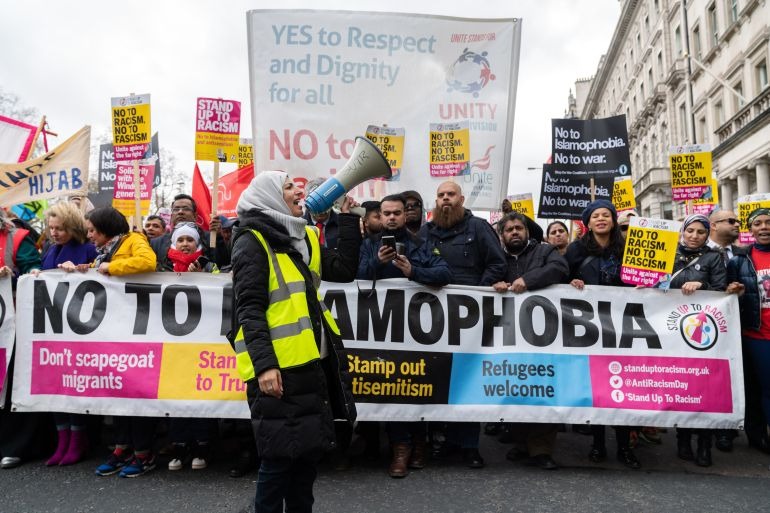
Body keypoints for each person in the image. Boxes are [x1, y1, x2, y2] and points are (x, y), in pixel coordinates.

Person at [230, 171, 359, 513]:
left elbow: (344, 270)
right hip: (279, 368)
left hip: (311, 362)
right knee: (279, 460)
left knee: (306, 459)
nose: (299, 190)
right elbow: (249, 309)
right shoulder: (252, 241)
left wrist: (347, 219)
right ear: (270, 197)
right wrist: (265, 366)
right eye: (288, 186)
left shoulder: (302, 236)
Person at [357, 193, 452, 478]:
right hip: (383, 329)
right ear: (380, 215)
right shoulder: (369, 245)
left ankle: (419, 444)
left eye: (396, 213)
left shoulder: (422, 243)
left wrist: (413, 271)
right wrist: (377, 262)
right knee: (392, 385)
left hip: (418, 327)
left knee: (417, 384)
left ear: (405, 215)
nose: (391, 218)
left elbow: (444, 273)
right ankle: (401, 448)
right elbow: (357, 277)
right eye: (386, 213)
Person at [419, 181, 507, 469]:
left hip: (471, 318)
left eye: (451, 194)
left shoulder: (479, 228)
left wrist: (475, 294)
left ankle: (469, 445)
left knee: (467, 379)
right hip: (434, 317)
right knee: (439, 376)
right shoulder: (426, 232)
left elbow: (497, 264)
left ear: (461, 199)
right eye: (441, 195)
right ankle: (445, 441)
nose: (446, 199)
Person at [565, 199, 641, 469]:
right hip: (590, 328)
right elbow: (562, 276)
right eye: (595, 215)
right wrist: (570, 282)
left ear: (613, 220)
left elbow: (643, 277)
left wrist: (641, 285)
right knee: (597, 388)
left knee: (623, 388)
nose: (601, 219)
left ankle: (624, 446)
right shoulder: (576, 249)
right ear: (588, 222)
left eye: (606, 215)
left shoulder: (628, 247)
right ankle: (598, 444)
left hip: (622, 327)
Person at [86, 207, 158, 478]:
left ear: (106, 229)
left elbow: (147, 262)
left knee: (135, 393)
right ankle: (122, 447)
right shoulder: (103, 251)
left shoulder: (134, 240)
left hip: (137, 329)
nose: (89, 235)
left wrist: (112, 267)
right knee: (118, 391)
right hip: (115, 329)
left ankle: (143, 453)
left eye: (93, 230)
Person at [492, 212, 568, 470]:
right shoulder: (498, 257)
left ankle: (541, 449)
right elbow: (486, 275)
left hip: (543, 335)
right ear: (502, 235)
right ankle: (522, 443)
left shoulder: (544, 251)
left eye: (518, 228)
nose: (514, 232)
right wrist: (494, 283)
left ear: (526, 231)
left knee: (542, 388)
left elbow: (559, 268)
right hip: (511, 335)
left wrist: (528, 281)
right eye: (509, 229)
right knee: (516, 387)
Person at [662, 214, 726, 467]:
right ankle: (683, 439)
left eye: (701, 232)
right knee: (682, 385)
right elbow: (657, 284)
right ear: (683, 230)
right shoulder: (669, 253)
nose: (694, 236)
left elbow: (721, 290)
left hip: (702, 332)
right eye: (690, 230)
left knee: (704, 388)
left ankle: (704, 444)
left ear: (707, 234)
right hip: (672, 330)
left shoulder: (714, 257)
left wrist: (703, 284)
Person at [39, 202, 97, 467]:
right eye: (51, 228)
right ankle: (62, 439)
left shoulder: (87, 248)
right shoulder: (51, 249)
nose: (54, 233)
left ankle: (77, 439)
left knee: (73, 384)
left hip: (78, 329)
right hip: (52, 328)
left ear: (73, 227)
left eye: (60, 228)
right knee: (54, 384)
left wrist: (82, 270)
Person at [160, 223, 218, 470]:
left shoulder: (209, 264)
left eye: (190, 240)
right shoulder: (162, 268)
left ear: (198, 243)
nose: (185, 244)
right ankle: (179, 445)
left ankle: (202, 446)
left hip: (201, 340)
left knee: (200, 394)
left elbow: (222, 284)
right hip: (173, 343)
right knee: (176, 394)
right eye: (181, 239)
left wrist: (203, 274)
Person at [0, 208, 43, 470]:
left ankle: (14, 446)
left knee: (11, 384)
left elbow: (33, 270)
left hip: (11, 324)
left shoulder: (17, 238)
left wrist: (14, 276)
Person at [727, 207, 770, 460]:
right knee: (762, 387)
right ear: (750, 229)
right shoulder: (740, 260)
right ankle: (759, 435)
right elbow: (729, 298)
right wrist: (736, 292)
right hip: (758, 335)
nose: (764, 227)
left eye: (768, 222)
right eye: (758, 223)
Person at [150, 194, 222, 269]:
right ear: (171, 216)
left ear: (195, 216)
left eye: (186, 209)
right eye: (176, 209)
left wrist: (219, 237)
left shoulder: (211, 238)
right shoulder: (156, 243)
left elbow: (222, 262)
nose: (180, 212)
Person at [303, 178, 341, 249]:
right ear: (306, 201)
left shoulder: (343, 224)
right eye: (315, 203)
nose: (321, 209)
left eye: (324, 202)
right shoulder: (299, 226)